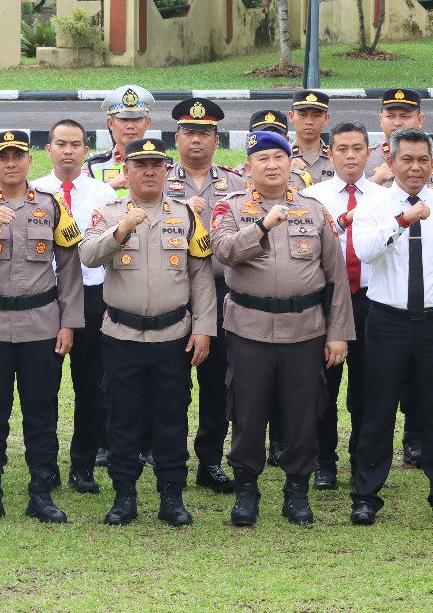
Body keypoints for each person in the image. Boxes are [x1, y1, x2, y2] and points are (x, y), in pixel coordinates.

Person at [210, 130, 353, 526]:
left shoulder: (314, 210)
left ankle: (297, 490)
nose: (271, 165)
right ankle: (246, 491)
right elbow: (223, 252)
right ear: (248, 167)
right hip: (248, 328)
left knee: (303, 412)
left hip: (304, 329)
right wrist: (261, 227)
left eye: (278, 157)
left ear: (291, 163)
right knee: (248, 412)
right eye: (263, 159)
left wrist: (338, 333)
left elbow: (335, 276)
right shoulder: (229, 207)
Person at [79, 137, 216, 526]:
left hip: (173, 335)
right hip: (122, 335)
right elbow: (87, 255)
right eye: (141, 165)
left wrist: (204, 328)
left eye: (157, 165)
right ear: (126, 171)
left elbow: (201, 275)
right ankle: (124, 495)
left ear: (167, 170)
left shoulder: (185, 215)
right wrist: (121, 229)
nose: (150, 172)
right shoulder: (108, 213)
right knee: (122, 417)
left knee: (171, 417)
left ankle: (171, 496)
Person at [0, 130, 84, 525]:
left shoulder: (51, 205)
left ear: (30, 161)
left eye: (17, 156)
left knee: (41, 412)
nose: (10, 163)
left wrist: (69, 322)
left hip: (40, 324)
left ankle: (41, 493)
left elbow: (70, 267)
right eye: (3, 157)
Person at [346, 128, 433, 526]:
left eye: (422, 160)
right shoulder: (373, 205)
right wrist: (402, 220)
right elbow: (366, 252)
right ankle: (366, 495)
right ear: (391, 162)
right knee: (378, 411)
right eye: (406, 160)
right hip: (387, 321)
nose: (415, 168)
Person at [161, 99, 247, 494]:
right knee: (171, 382)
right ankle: (169, 457)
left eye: (205, 133)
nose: (197, 140)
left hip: (221, 290)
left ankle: (210, 460)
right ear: (177, 138)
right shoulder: (158, 179)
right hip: (173, 290)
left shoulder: (237, 184)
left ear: (216, 139)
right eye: (190, 133)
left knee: (218, 382)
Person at [302, 122, 387, 491]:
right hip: (327, 299)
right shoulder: (312, 197)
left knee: (368, 388)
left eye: (357, 148)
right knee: (324, 387)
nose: (350, 156)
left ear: (369, 153)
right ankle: (324, 462)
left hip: (372, 300)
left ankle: (362, 458)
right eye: (342, 149)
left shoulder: (385, 198)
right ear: (330, 153)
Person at [33, 119, 117, 495]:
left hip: (93, 295)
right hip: (47, 297)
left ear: (86, 150)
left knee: (91, 387)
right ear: (48, 149)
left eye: (76, 144)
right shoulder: (35, 191)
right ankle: (45, 466)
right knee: (43, 387)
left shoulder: (104, 193)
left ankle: (83, 466)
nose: (68, 151)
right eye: (61, 143)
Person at [367, 89, 433, 193]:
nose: (397, 123)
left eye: (405, 116)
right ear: (381, 120)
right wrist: (374, 181)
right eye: (390, 116)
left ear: (420, 120)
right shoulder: (366, 158)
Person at [85, 85, 155, 190]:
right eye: (123, 120)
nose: (130, 126)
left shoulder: (162, 164)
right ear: (110, 123)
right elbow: (81, 198)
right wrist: (109, 187)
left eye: (137, 119)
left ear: (147, 123)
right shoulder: (94, 165)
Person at [290, 90, 334, 183]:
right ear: (291, 116)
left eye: (316, 115)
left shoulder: (336, 158)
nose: (309, 122)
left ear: (326, 118)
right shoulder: (283, 159)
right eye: (302, 115)